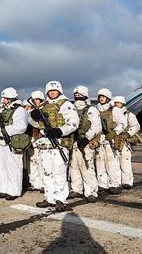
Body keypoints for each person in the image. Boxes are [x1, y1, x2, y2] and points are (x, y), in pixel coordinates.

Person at [31, 81, 79, 212]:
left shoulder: (66, 104)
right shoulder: (43, 105)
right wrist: (33, 116)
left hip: (59, 143)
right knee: (47, 172)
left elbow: (74, 123)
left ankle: (61, 199)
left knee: (59, 172)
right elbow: (35, 124)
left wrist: (60, 131)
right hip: (46, 144)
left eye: (55, 90)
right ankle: (49, 197)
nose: (52, 92)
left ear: (59, 91)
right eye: (50, 91)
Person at [0, 87, 30, 201]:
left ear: (10, 99)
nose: (3, 100)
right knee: (1, 167)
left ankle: (14, 191)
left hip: (12, 142)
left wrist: (6, 130)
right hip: (1, 142)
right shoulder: (3, 110)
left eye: (4, 98)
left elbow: (21, 127)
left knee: (13, 167)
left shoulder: (19, 110)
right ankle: (3, 189)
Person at [70, 86, 101, 202]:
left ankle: (91, 192)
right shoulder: (71, 109)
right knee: (73, 167)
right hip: (73, 142)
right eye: (76, 95)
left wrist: (86, 139)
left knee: (87, 167)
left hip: (86, 143)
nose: (78, 97)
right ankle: (76, 189)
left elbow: (96, 127)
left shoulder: (91, 110)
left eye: (80, 95)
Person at [96, 89, 126, 194]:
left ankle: (114, 184)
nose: (101, 99)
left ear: (108, 98)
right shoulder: (96, 110)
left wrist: (114, 133)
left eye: (103, 97)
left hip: (111, 139)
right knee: (100, 163)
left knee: (111, 163)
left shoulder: (114, 110)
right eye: (100, 97)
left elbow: (123, 123)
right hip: (100, 139)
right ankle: (102, 184)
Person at [112, 96, 140, 189]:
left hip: (125, 141)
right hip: (114, 140)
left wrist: (128, 134)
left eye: (118, 103)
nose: (116, 105)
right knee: (115, 162)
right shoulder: (111, 114)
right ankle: (117, 182)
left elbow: (136, 126)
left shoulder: (129, 115)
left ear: (123, 104)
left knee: (125, 162)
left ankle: (127, 181)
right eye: (115, 103)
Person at [26, 90, 45, 193]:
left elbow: (40, 125)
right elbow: (30, 123)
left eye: (38, 99)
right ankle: (34, 182)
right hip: (32, 139)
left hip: (41, 139)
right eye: (34, 100)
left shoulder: (45, 109)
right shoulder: (30, 112)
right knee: (33, 162)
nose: (36, 101)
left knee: (42, 162)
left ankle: (43, 184)